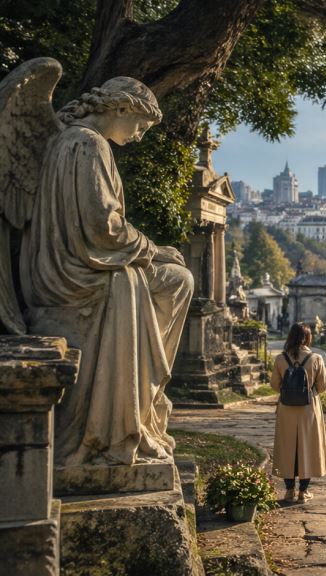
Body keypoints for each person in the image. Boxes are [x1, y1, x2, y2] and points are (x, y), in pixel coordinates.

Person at [21, 75, 193, 466]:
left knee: (172, 281)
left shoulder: (75, 140)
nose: (140, 136)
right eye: (140, 126)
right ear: (120, 108)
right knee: (175, 282)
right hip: (75, 274)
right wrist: (155, 250)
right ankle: (131, 411)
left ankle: (140, 404)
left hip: (75, 264)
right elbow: (105, 228)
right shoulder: (86, 143)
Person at [271, 323, 326, 503]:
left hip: (286, 408)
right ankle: (303, 492)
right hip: (308, 408)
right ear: (307, 337)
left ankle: (289, 491)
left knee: (287, 447)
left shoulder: (280, 359)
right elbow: (323, 386)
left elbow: (274, 385)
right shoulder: (316, 358)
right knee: (308, 447)